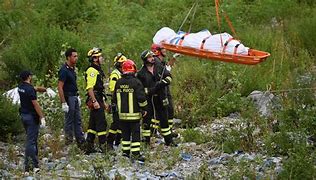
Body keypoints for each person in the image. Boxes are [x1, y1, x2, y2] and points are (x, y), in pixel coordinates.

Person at [137, 50, 175, 146]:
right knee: (147, 120)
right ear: (145, 60)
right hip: (149, 100)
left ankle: (169, 141)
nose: (152, 58)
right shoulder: (141, 73)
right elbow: (140, 89)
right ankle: (146, 141)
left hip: (161, 97)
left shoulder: (159, 67)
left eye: (152, 56)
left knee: (164, 119)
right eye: (150, 57)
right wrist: (149, 91)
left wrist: (162, 83)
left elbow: (169, 77)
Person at [112, 59, 147, 161]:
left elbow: (114, 98)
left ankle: (125, 153)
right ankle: (136, 153)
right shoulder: (136, 82)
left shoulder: (118, 82)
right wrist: (144, 109)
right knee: (135, 134)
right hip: (134, 115)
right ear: (133, 69)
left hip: (122, 115)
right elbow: (141, 98)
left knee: (125, 134)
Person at [18, 70, 46, 175]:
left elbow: (33, 88)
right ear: (29, 77)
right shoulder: (30, 90)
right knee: (31, 142)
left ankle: (31, 165)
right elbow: (35, 104)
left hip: (23, 116)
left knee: (32, 139)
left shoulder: (21, 87)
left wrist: (45, 89)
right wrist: (42, 117)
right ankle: (32, 166)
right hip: (31, 117)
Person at [58, 48, 85, 147]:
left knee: (77, 119)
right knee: (69, 120)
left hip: (74, 96)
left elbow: (73, 84)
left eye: (77, 56)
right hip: (68, 97)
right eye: (74, 56)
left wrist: (77, 96)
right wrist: (63, 102)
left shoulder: (72, 69)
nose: (76, 58)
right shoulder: (64, 70)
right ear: (68, 57)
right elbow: (60, 86)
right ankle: (68, 141)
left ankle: (80, 141)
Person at [84, 47, 109, 154]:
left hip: (98, 97)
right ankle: (103, 145)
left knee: (93, 123)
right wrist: (94, 101)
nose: (102, 58)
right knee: (101, 122)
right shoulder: (92, 71)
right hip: (95, 97)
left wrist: (103, 102)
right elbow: (90, 88)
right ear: (94, 59)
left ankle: (89, 145)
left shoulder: (97, 70)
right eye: (100, 56)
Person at [107, 53, 127, 149]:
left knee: (121, 122)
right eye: (122, 63)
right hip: (117, 101)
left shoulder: (122, 73)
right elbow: (112, 89)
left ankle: (118, 141)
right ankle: (110, 142)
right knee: (116, 123)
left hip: (122, 101)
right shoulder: (115, 74)